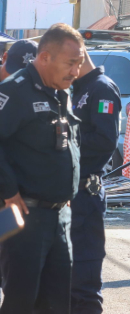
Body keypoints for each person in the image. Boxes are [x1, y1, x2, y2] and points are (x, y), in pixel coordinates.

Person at [0, 24, 85, 313]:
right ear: (45, 57)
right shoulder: (15, 91)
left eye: (80, 63)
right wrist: (8, 191)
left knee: (57, 302)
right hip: (23, 216)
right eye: (70, 63)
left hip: (60, 215)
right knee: (22, 302)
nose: (76, 71)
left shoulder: (60, 93)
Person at [69, 46, 122, 314]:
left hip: (85, 193)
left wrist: (63, 143)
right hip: (68, 193)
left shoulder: (101, 88)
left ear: (78, 58)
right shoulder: (78, 88)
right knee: (67, 282)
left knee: (84, 283)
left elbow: (105, 140)